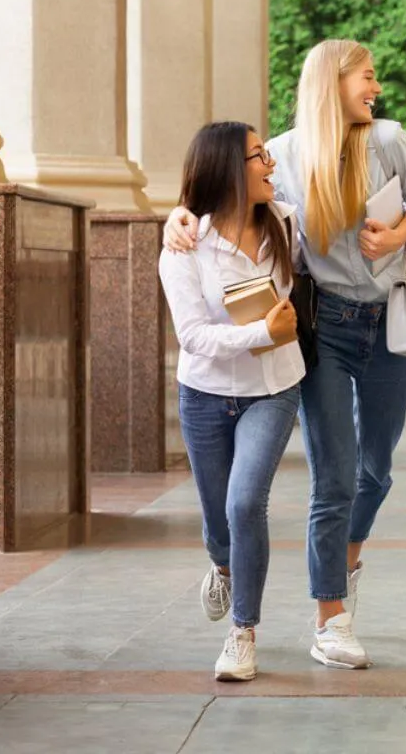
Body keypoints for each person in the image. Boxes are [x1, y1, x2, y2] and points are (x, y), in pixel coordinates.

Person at [163, 39, 406, 669]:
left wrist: (395, 234)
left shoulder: (390, 139)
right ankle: (330, 616)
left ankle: (345, 561)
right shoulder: (283, 156)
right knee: (334, 474)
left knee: (376, 468)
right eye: (367, 76)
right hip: (325, 328)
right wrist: (177, 214)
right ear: (333, 81)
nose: (377, 86)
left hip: (390, 322)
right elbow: (229, 201)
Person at [159, 121, 303, 681]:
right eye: (257, 156)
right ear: (226, 169)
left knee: (246, 505)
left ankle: (242, 631)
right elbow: (192, 336)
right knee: (219, 521)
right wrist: (260, 334)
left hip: (274, 387)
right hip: (205, 393)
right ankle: (222, 564)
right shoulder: (186, 245)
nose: (269, 164)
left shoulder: (286, 224)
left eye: (267, 154)